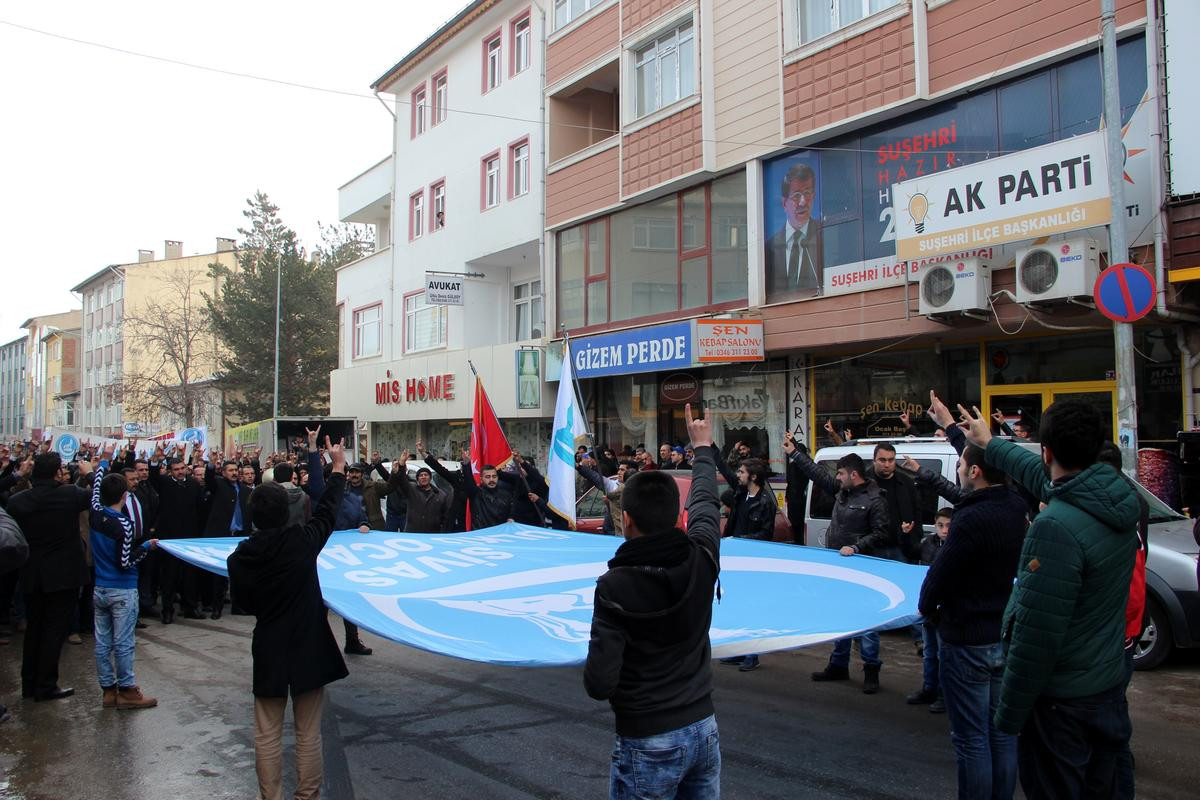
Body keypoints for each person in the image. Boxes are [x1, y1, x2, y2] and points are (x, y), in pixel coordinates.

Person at [958, 402, 1139, 799]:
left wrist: (1009, 715)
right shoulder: (1118, 502)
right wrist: (990, 443)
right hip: (1106, 690)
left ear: (1047, 451)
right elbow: (1043, 477)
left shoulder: (1055, 526)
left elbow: (1036, 636)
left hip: (1062, 709)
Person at [585, 403, 722, 799]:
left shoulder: (614, 586)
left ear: (626, 519)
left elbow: (599, 682)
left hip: (647, 738)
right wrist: (703, 448)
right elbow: (706, 505)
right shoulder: (701, 559)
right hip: (704, 728)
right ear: (677, 515)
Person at [227, 436, 351, 800]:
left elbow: (244, 605)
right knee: (308, 732)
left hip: (269, 644)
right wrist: (338, 468)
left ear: (254, 515)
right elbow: (327, 512)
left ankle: (271, 797)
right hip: (308, 643)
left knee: (266, 732)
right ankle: (307, 795)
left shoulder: (240, 558)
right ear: (287, 512)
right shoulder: (302, 542)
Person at [918, 445, 1027, 800]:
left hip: (967, 638)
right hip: (1001, 632)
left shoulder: (971, 517)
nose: (959, 470)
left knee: (972, 739)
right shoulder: (1015, 507)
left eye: (962, 464)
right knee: (1002, 733)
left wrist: (928, 609)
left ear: (975, 471)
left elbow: (940, 574)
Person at [786, 445, 891, 693]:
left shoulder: (875, 499)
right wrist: (795, 454)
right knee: (841, 616)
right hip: (839, 567)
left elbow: (882, 533)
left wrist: (856, 547)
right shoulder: (842, 491)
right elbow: (817, 474)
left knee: (866, 621)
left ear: (853, 474)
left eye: (841, 473)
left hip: (863, 570)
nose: (837, 478)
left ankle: (871, 669)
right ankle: (839, 664)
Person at [7, 451, 92, 701]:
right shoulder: (70, 495)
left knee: (35, 628)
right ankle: (46, 685)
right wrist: (90, 474)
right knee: (54, 630)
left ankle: (29, 683)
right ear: (57, 473)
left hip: (32, 573)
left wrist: (18, 476)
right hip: (63, 575)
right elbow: (101, 494)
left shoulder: (18, 501)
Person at [89, 447, 158, 710]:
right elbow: (125, 561)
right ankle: (127, 689)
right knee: (124, 642)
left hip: (100, 587)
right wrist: (146, 547)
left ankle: (108, 689)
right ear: (124, 496)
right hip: (122, 588)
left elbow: (96, 487)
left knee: (102, 641)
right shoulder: (124, 525)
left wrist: (103, 463)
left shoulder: (96, 513)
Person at [716, 456, 777, 673]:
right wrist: (710, 448)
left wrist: (740, 540)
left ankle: (752, 653)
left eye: (742, 472)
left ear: (753, 476)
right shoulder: (741, 494)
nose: (738, 475)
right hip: (736, 558)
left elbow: (766, 534)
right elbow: (726, 470)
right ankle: (739, 650)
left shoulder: (766, 502)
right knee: (738, 605)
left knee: (752, 607)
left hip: (754, 561)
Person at [148, 449, 208, 624]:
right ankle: (167, 610)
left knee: (190, 575)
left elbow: (199, 509)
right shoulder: (164, 483)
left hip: (190, 538)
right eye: (176, 469)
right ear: (170, 471)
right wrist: (155, 460)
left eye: (182, 468)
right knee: (169, 576)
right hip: (170, 538)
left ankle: (190, 607)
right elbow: (153, 477)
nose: (180, 472)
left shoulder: (193, 484)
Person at [908, 507, 952, 714]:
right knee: (929, 652)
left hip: (945, 609)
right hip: (929, 607)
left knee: (944, 656)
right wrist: (906, 536)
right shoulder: (928, 543)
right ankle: (929, 688)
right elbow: (911, 554)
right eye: (940, 525)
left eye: (949, 526)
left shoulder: (957, 546)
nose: (944, 530)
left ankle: (944, 694)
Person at [766, 161, 824, 298]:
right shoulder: (769, 247)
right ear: (784, 203)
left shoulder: (825, 235)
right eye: (797, 195)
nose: (803, 202)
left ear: (814, 196)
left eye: (807, 193)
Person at [203, 460, 252, 620]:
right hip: (221, 536)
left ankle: (238, 606)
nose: (234, 473)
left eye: (236, 470)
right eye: (230, 470)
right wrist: (211, 465)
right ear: (223, 473)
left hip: (239, 536)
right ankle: (216, 607)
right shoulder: (218, 485)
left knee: (239, 572)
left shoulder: (245, 490)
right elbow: (209, 479)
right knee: (219, 574)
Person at [395, 446, 451, 533]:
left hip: (432, 534)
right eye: (421, 475)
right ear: (417, 479)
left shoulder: (440, 495)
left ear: (430, 478)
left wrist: (442, 532)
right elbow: (402, 480)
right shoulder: (411, 490)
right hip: (413, 533)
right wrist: (402, 464)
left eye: (426, 475)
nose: (423, 477)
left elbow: (445, 517)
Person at [462, 463, 515, 529]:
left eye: (494, 476)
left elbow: (512, 513)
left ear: (497, 477)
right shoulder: (476, 494)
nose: (491, 480)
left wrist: (511, 518)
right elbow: (469, 482)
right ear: (481, 479)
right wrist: (466, 464)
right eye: (487, 477)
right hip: (481, 534)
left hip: (501, 533)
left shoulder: (506, 495)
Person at [783, 431, 809, 545]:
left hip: (801, 499)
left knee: (800, 526)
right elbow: (789, 483)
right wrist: (787, 496)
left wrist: (793, 441)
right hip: (793, 500)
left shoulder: (805, 466)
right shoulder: (791, 466)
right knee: (794, 525)